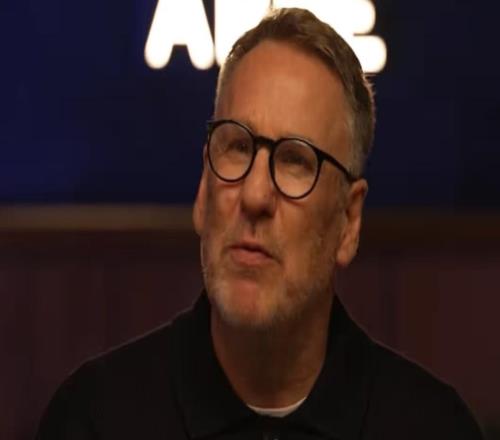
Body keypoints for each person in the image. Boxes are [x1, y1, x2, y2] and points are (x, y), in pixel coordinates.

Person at [36, 8, 483, 440]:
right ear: (203, 189)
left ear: (348, 221)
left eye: (295, 161)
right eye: (236, 147)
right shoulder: (93, 420)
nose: (253, 196)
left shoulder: (433, 428)